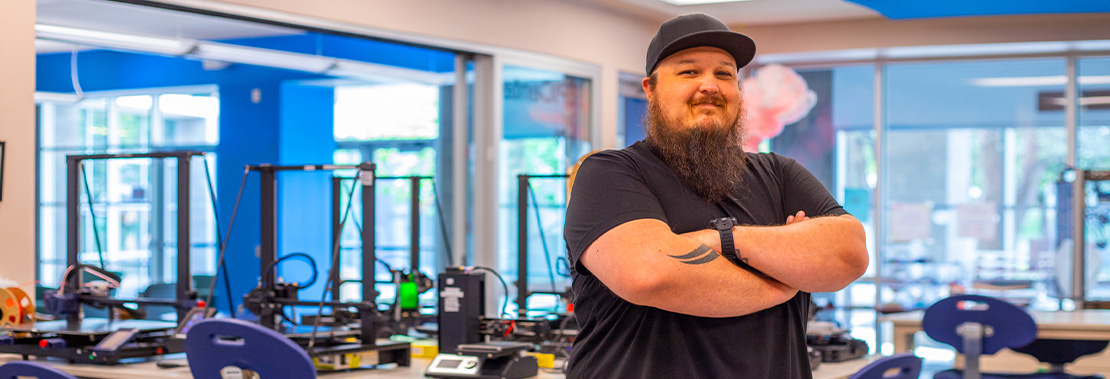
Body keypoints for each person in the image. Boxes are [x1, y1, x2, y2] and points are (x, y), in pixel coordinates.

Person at [562, 13, 868, 379]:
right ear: (650, 88)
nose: (710, 85)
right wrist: (785, 279)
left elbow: (849, 254)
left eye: (725, 74)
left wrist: (723, 239)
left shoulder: (780, 173)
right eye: (689, 72)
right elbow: (651, 276)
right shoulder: (609, 173)